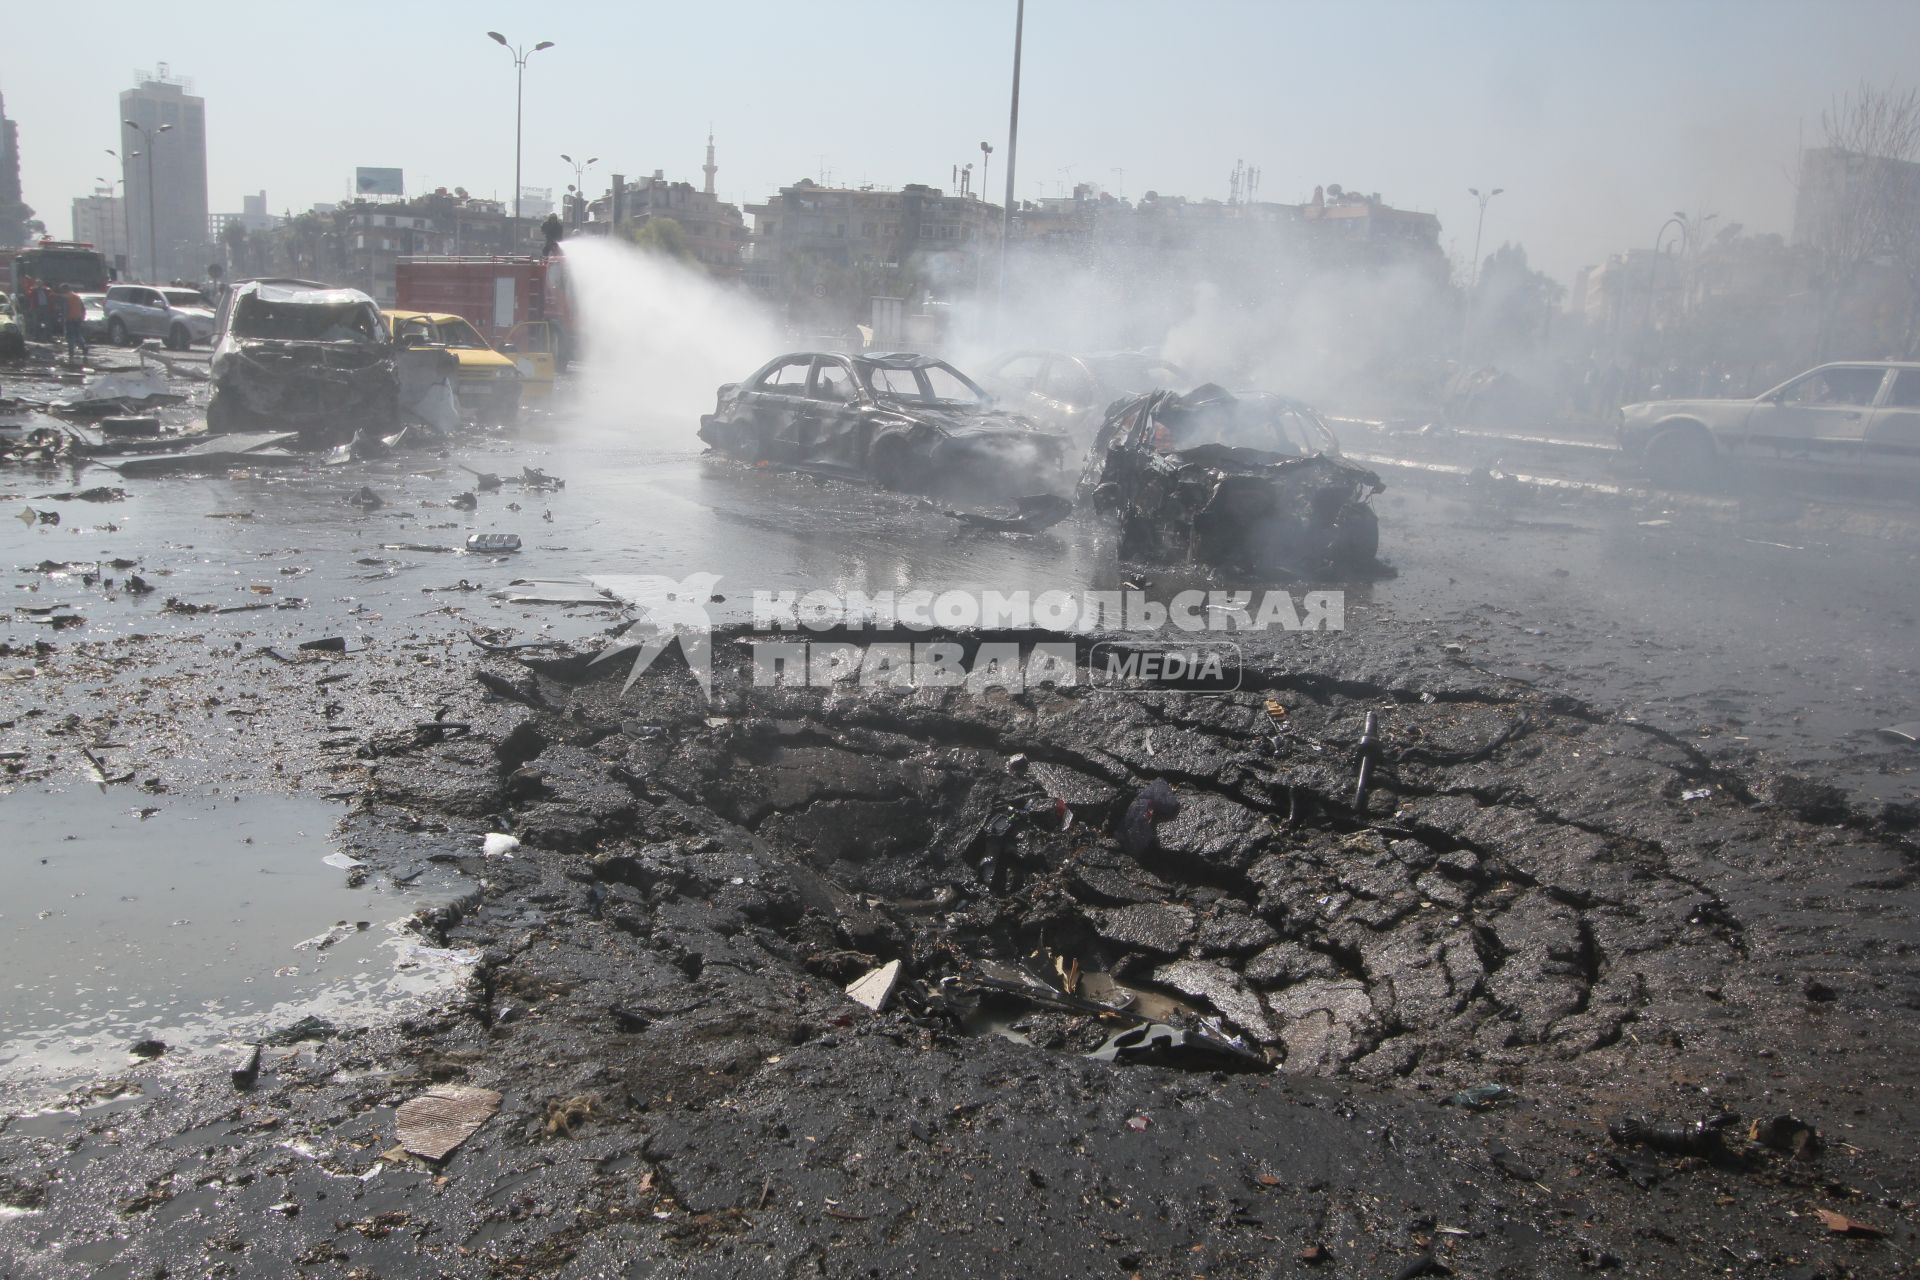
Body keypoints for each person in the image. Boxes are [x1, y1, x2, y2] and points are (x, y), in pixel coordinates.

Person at [62, 285, 90, 360]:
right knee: (78, 334)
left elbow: (65, 309)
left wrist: (63, 318)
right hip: (78, 318)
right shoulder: (77, 296)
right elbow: (83, 308)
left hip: (69, 319)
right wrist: (82, 317)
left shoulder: (66, 297)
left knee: (70, 336)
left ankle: (71, 351)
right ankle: (84, 347)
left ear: (65, 289)